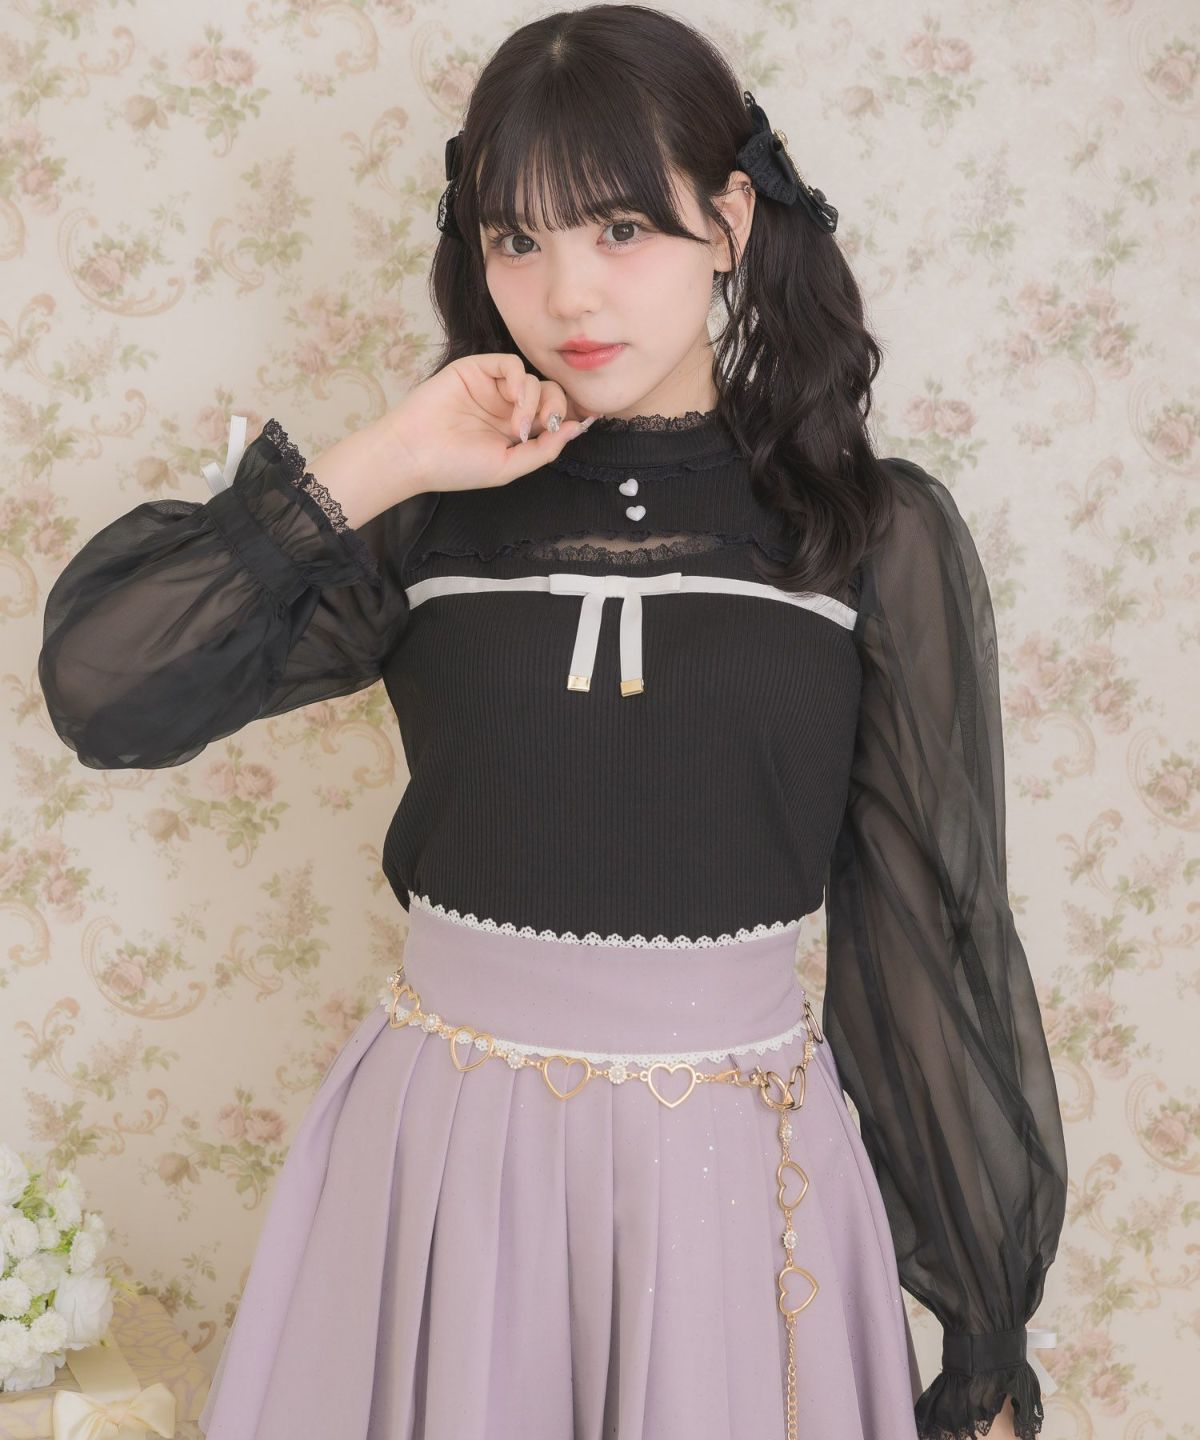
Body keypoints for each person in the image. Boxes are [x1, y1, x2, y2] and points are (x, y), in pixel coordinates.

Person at [37, 6, 1069, 1438]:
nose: (568, 291)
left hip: (727, 1181)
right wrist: (389, 456)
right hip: (442, 1168)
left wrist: (981, 1327)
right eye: (516, 240)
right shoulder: (426, 520)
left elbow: (926, 934)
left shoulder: (863, 534)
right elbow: (103, 692)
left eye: (620, 230)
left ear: (729, 220)